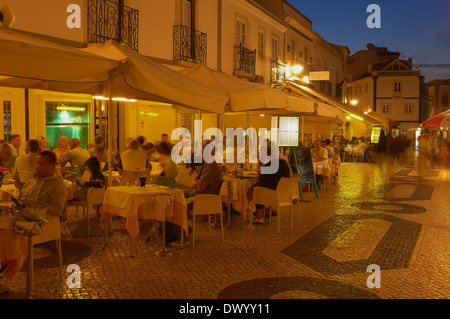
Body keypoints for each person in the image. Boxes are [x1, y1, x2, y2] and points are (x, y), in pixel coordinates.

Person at [18, 151, 67, 218]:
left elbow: (57, 210)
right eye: (37, 163)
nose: (36, 167)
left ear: (51, 166)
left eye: (41, 164)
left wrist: (33, 206)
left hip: (42, 224)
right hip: (23, 218)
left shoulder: (57, 185)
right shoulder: (32, 180)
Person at [252, 141, 291, 224]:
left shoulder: (270, 165)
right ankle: (269, 210)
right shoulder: (283, 162)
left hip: (274, 194)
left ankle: (259, 217)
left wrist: (260, 166)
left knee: (257, 189)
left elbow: (260, 178)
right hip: (283, 192)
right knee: (261, 186)